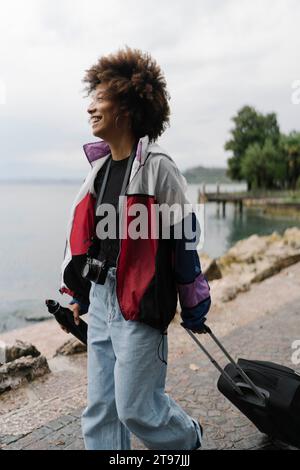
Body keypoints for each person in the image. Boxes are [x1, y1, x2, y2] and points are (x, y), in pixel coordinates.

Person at [58, 46, 211, 450]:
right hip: (104, 298)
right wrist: (78, 293)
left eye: (100, 97)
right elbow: (89, 241)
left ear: (126, 105)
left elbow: (184, 239)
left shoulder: (159, 167)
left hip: (141, 302)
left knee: (136, 408)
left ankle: (188, 439)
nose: (90, 107)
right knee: (100, 412)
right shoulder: (99, 170)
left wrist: (194, 303)